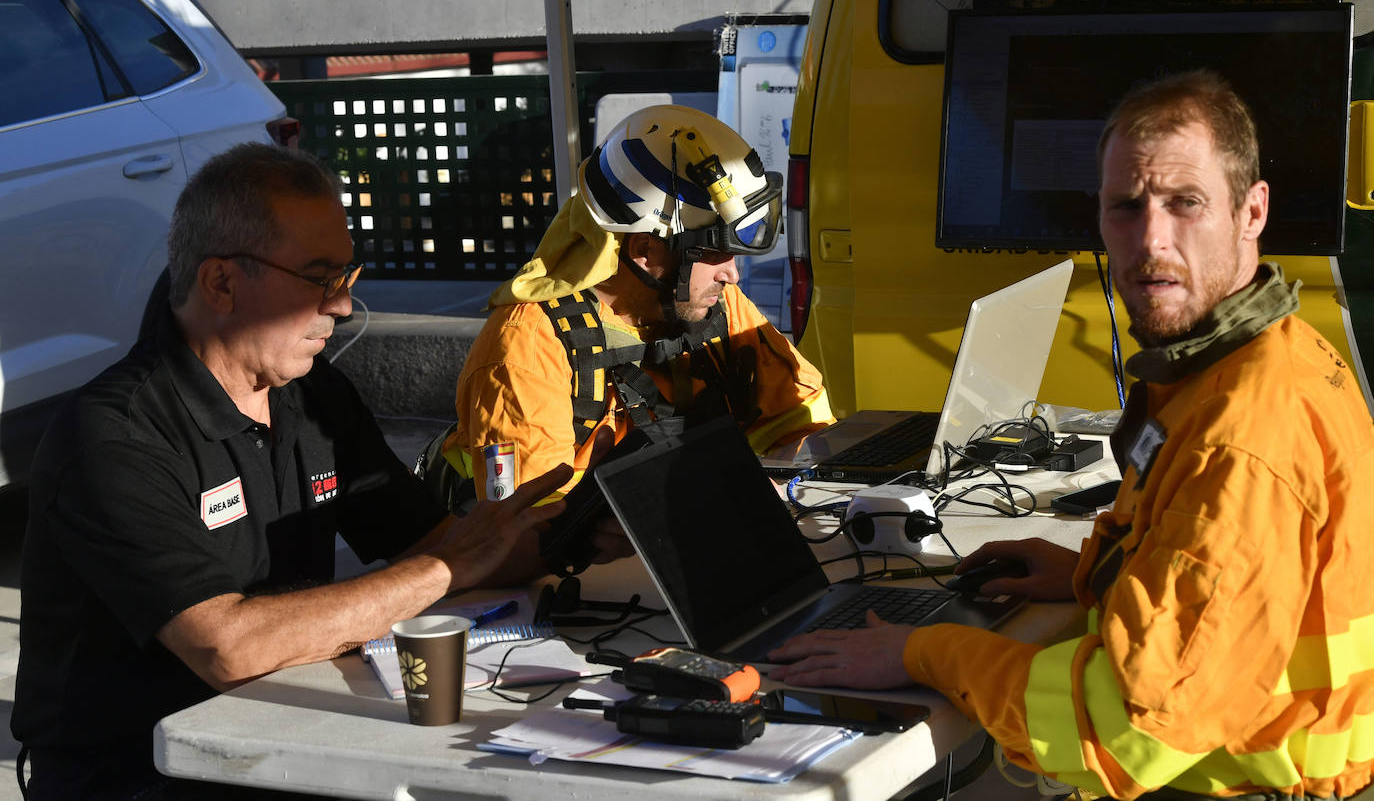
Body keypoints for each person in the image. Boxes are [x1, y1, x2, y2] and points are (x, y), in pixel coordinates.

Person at [769, 71, 1374, 801]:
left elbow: (1117, 730)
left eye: (1186, 204)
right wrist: (1088, 577)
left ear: (1252, 211)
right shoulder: (1265, 353)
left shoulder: (1241, 437)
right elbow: (1218, 586)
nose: (1151, 240)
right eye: (1126, 207)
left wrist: (923, 650)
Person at [10, 144, 563, 799]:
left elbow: (432, 541)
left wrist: (585, 533)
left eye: (347, 277)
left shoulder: (309, 392)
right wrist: (447, 569)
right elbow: (227, 648)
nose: (343, 307)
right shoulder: (113, 435)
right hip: (139, 772)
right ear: (221, 283)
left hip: (284, 731)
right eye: (319, 278)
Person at [430, 105, 832, 579]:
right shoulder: (527, 346)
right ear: (644, 250)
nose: (732, 273)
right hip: (545, 580)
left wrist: (750, 491)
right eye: (716, 252)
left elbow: (798, 418)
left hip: (680, 557)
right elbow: (519, 536)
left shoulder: (711, 302)